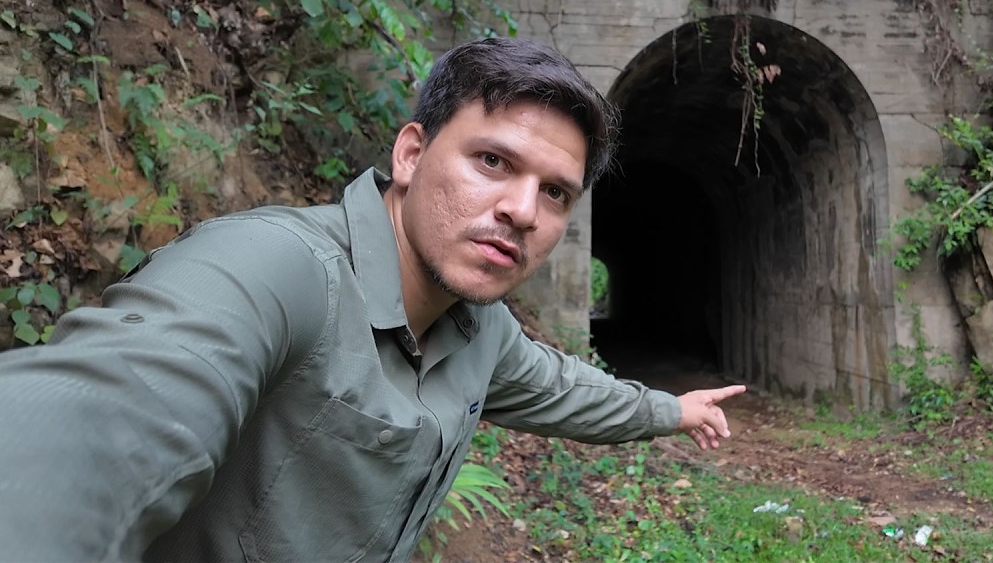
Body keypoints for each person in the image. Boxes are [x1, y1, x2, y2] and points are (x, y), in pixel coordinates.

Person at [0, 38, 746, 562]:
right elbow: (91, 426)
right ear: (412, 154)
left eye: (555, 192)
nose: (523, 210)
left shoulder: (481, 331)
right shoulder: (276, 268)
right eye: (492, 161)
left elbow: (566, 388)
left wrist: (675, 411)